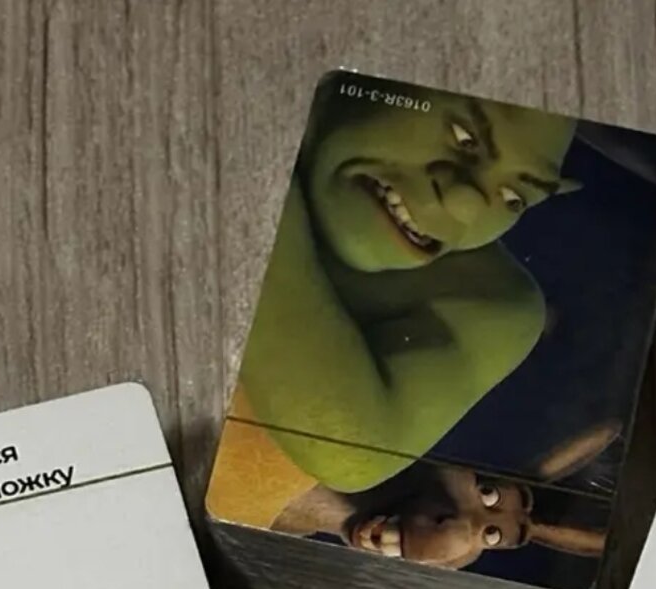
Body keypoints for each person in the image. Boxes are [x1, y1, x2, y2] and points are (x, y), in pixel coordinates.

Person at [207, 76, 580, 529]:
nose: (465, 202)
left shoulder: (493, 305)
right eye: (462, 136)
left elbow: (347, 450)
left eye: (514, 198)